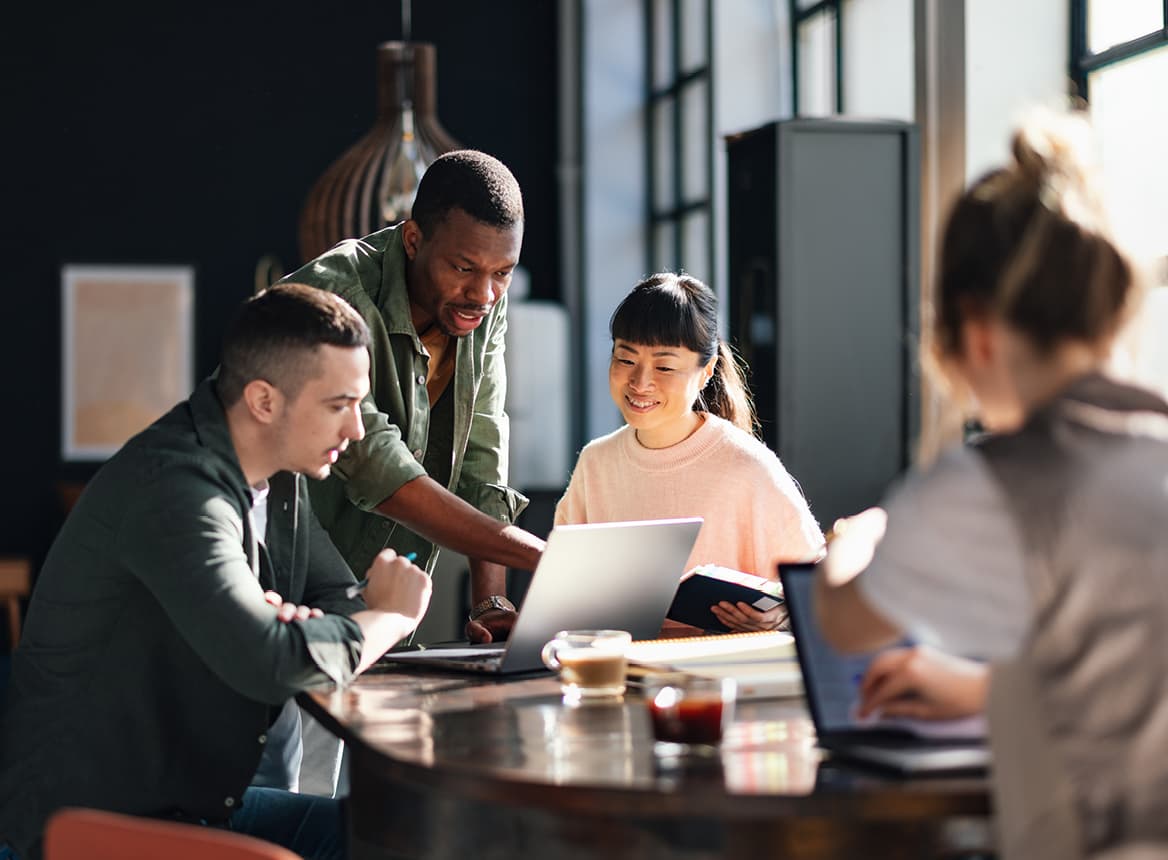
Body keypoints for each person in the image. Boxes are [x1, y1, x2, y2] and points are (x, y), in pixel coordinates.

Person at [813, 112, 1168, 859]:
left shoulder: (998, 482)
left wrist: (854, 543)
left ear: (975, 332)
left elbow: (843, 623)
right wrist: (984, 690)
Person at [0, 284, 433, 860]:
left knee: (416, 836)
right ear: (263, 401)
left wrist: (302, 632)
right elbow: (271, 661)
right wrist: (392, 615)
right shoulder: (175, 490)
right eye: (339, 405)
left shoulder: (279, 474)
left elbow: (332, 596)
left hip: (195, 801)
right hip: (90, 827)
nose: (356, 430)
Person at [282, 150, 544, 644]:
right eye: (464, 267)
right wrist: (547, 560)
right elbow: (378, 466)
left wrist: (492, 603)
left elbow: (482, 458)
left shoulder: (483, 306)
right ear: (413, 238)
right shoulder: (331, 295)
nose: (484, 294)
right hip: (278, 596)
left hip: (381, 622)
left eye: (502, 273)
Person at [555, 273, 823, 632]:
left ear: (706, 372)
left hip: (718, 673)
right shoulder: (596, 462)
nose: (640, 382)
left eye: (665, 366)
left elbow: (817, 584)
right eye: (625, 359)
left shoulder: (747, 467)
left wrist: (782, 614)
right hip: (619, 672)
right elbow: (561, 589)